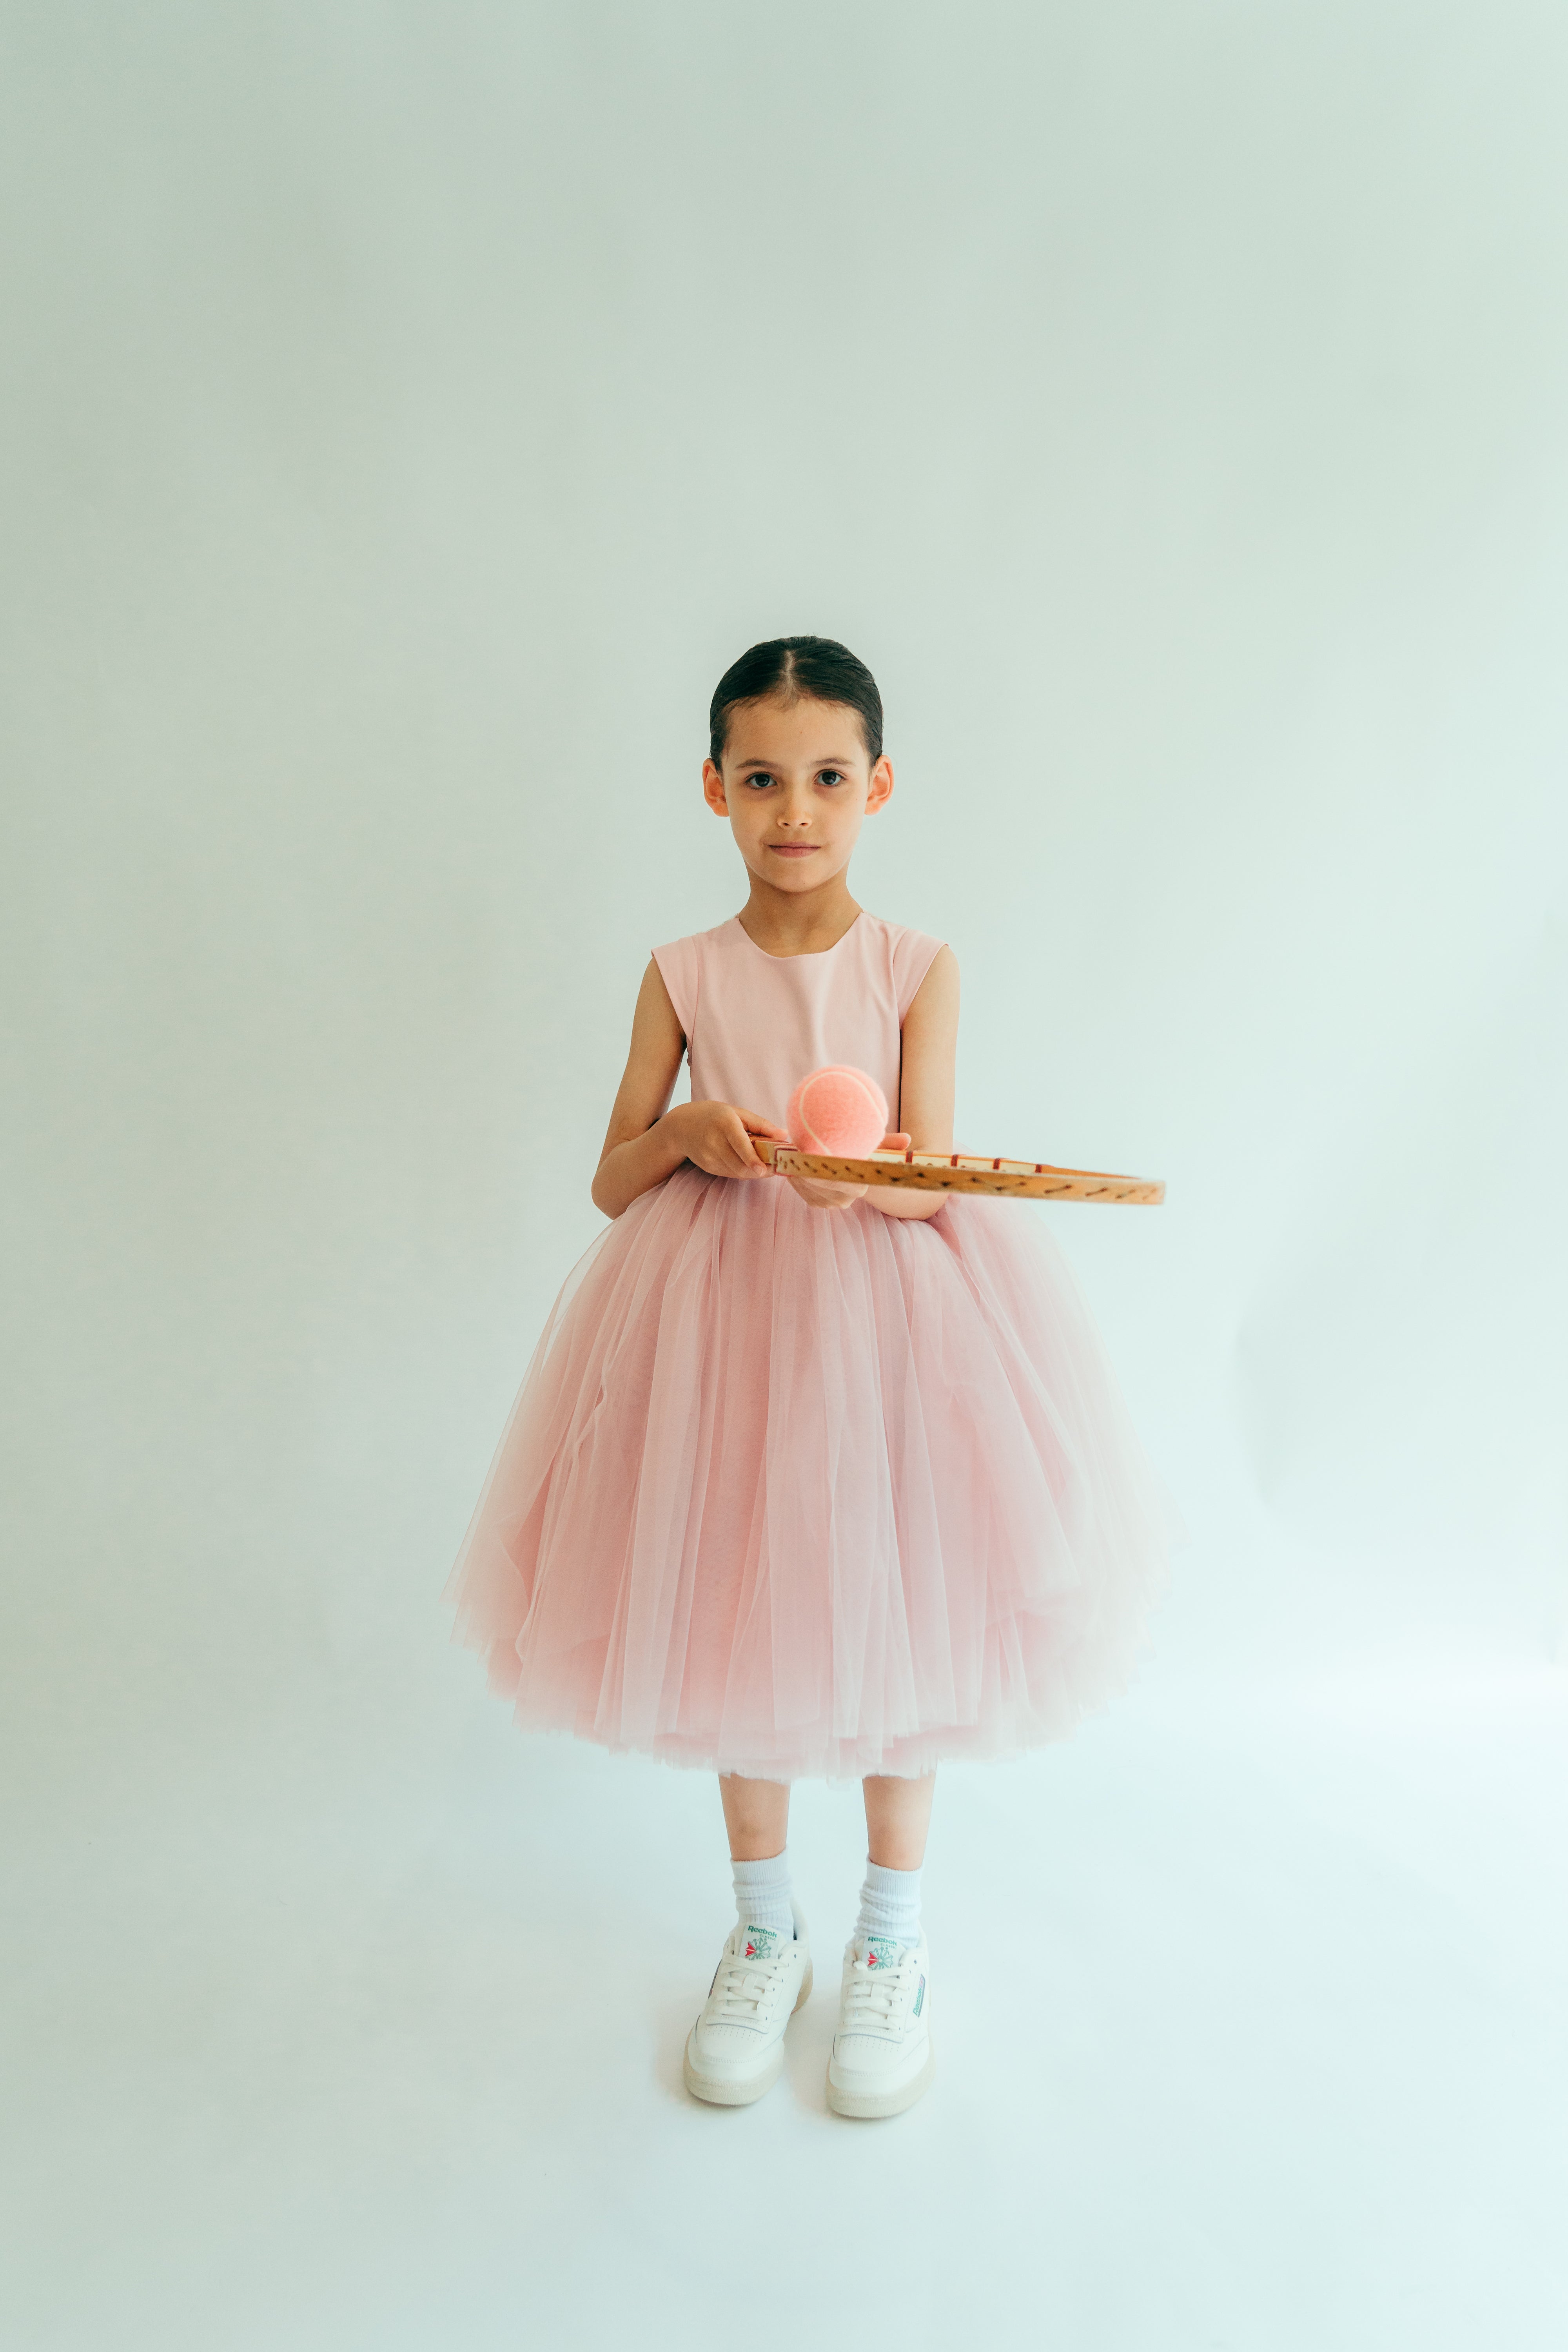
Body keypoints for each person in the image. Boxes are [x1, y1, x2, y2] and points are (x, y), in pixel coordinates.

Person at [446, 635, 1170, 2119]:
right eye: (763, 778)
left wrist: (863, 1183)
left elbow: (936, 1169)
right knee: (737, 1612)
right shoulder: (681, 971)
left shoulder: (917, 965)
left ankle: (891, 1944)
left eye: (828, 777)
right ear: (713, 789)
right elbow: (611, 1174)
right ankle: (765, 1928)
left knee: (906, 1614)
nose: (796, 809)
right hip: (724, 1325)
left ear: (879, 786)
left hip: (895, 1326)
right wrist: (696, 1134)